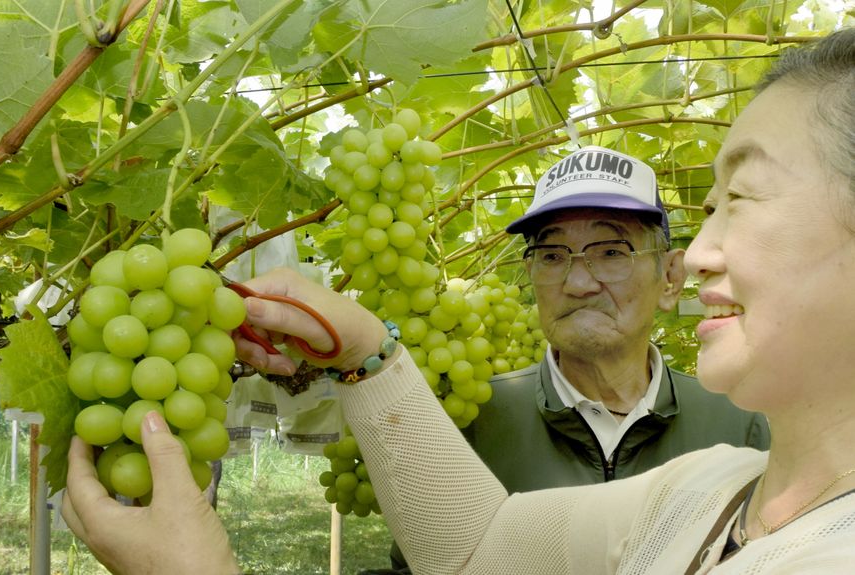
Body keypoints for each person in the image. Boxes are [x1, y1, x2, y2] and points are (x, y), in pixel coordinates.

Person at [62, 28, 855, 574]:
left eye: (741, 197)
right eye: (552, 253)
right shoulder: (714, 488)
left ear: (664, 271)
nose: (708, 246)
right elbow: (479, 548)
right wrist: (365, 350)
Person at [374, 145, 769, 575]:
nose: (578, 282)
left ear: (671, 278)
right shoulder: (470, 420)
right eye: (552, 256)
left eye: (611, 252)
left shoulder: (738, 422)